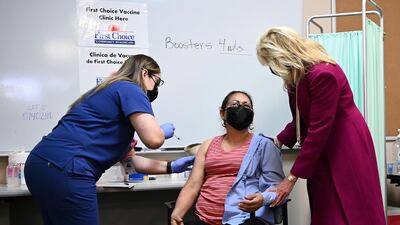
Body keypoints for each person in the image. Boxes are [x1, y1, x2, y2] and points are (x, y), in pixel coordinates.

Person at [24, 54, 195, 225]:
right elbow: (154, 140)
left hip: (41, 165)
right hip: (67, 169)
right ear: (144, 73)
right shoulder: (131, 88)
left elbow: (130, 162)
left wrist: (172, 166)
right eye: (157, 81)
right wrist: (161, 132)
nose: (155, 87)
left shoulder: (107, 95)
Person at [256, 27, 386, 225]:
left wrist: (290, 180)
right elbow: (300, 121)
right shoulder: (297, 79)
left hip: (345, 145)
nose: (274, 70)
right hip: (322, 148)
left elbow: (317, 129)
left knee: (350, 207)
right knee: (325, 207)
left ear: (282, 57)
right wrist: (277, 141)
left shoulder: (323, 73)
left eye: (272, 64)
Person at [171, 91, 284, 225]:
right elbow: (192, 185)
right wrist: (176, 214)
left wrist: (262, 198)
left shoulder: (264, 146)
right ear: (222, 113)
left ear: (252, 114)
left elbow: (277, 188)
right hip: (204, 220)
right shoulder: (207, 145)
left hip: (244, 219)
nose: (241, 108)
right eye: (235, 104)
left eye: (246, 106)